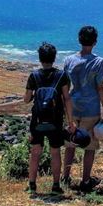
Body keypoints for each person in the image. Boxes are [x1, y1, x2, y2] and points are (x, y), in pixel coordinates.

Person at [61, 25, 103, 192]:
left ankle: (65, 177)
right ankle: (86, 180)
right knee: (90, 146)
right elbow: (100, 87)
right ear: (95, 42)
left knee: (69, 144)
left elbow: (65, 86)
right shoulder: (98, 62)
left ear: (79, 40)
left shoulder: (68, 60)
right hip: (91, 108)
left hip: (72, 107)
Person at [24, 42, 74, 195]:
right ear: (54, 58)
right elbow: (66, 99)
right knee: (55, 152)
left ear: (40, 58)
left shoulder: (34, 75)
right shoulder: (61, 75)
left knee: (35, 152)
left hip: (38, 120)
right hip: (55, 120)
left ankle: (32, 185)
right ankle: (56, 185)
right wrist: (70, 121)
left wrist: (34, 95)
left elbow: (26, 99)